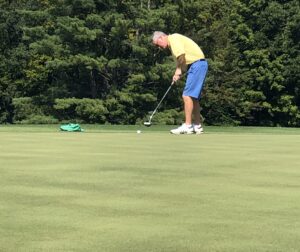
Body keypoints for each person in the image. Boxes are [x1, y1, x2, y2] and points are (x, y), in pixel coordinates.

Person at [152, 31, 208, 134]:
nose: (158, 47)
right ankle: (197, 125)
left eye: (157, 44)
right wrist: (178, 73)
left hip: (197, 65)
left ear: (161, 37)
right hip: (197, 65)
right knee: (193, 98)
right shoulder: (172, 43)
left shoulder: (173, 38)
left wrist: (178, 71)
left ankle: (188, 126)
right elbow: (182, 62)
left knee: (187, 96)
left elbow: (181, 56)